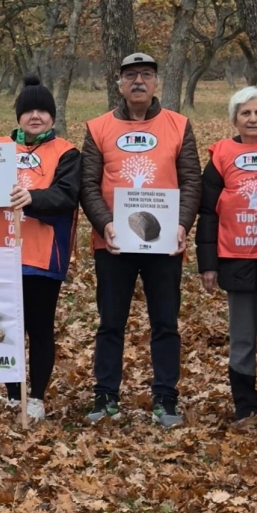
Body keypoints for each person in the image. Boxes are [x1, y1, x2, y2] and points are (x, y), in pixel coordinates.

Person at [79, 52, 200, 427]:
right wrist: (104, 224)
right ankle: (106, 396)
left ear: (156, 83)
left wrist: (182, 224)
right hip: (114, 243)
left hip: (164, 243)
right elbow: (88, 184)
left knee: (165, 322)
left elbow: (191, 181)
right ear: (119, 84)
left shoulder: (178, 125)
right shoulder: (98, 127)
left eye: (146, 74)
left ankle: (165, 398)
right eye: (130, 75)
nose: (138, 81)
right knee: (110, 322)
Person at [0, 77, 80, 422]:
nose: (36, 116)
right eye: (29, 110)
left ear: (52, 116)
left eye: (43, 111)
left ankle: (36, 397)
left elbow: (67, 195)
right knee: (3, 326)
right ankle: (11, 392)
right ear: (18, 116)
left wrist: (33, 198)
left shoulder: (66, 152)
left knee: (39, 327)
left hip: (41, 256)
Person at [196, 86, 257, 424]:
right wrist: (208, 264)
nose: (253, 119)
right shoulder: (221, 153)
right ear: (234, 118)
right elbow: (207, 212)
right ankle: (245, 407)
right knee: (241, 338)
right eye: (245, 113)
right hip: (235, 256)